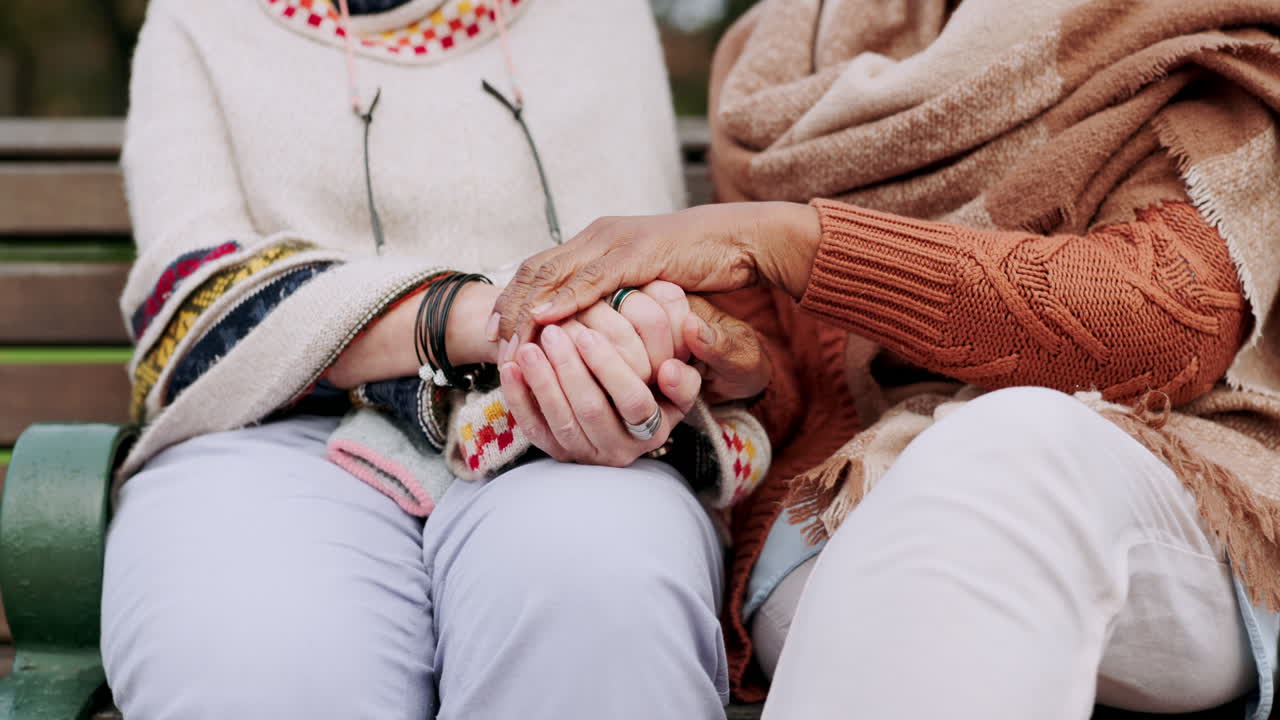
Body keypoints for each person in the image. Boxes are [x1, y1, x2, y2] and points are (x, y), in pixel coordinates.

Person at [491, 1, 1280, 718]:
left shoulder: (1182, 17)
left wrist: (782, 239)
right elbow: (798, 381)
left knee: (1003, 452)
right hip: (841, 508)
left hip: (1175, 495)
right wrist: (738, 369)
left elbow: (1164, 320)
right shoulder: (777, 50)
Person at [104, 0, 776, 717]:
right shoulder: (200, 20)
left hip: (548, 427)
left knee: (605, 590)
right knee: (252, 653)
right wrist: (479, 315)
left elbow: (647, 261)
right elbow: (195, 299)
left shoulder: (599, 15)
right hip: (275, 434)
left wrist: (630, 347)